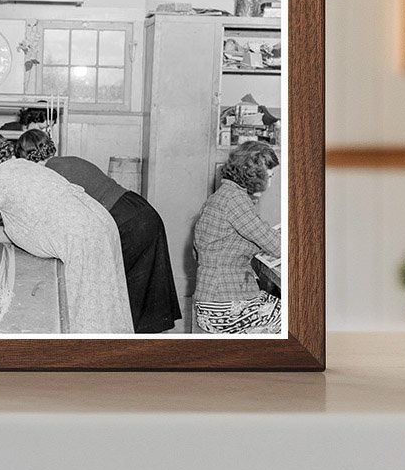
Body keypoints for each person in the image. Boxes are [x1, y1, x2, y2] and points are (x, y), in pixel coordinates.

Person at [0, 131, 133, 334]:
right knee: (107, 302)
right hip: (100, 223)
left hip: (79, 236)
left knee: (83, 306)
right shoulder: (25, 165)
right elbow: (15, 232)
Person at [15, 129, 181, 334]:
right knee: (144, 285)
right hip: (140, 209)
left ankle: (128, 347)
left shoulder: (49, 173)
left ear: (25, 156)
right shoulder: (69, 160)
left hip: (124, 219)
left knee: (118, 287)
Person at [192, 141, 282, 335]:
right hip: (222, 302)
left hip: (217, 297)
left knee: (282, 306)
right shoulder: (235, 200)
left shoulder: (225, 195)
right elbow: (276, 245)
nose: (271, 182)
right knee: (297, 317)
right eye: (270, 175)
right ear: (255, 174)